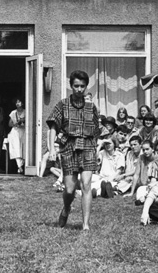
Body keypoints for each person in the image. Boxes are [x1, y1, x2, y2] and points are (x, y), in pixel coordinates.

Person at [47, 70, 100, 231]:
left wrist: (95, 146)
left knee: (86, 184)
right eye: (76, 86)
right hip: (68, 147)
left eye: (82, 86)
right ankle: (67, 208)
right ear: (71, 86)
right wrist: (52, 150)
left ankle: (85, 225)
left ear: (86, 87)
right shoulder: (62, 105)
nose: (79, 89)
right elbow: (53, 128)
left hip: (88, 147)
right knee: (70, 189)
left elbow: (97, 129)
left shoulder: (91, 107)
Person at [8, 97, 26, 174]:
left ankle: (22, 165)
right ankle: (19, 166)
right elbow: (9, 124)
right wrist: (14, 124)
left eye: (19, 102)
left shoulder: (26, 111)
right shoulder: (13, 112)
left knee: (24, 148)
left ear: (22, 103)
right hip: (15, 131)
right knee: (16, 148)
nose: (17, 103)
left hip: (24, 131)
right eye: (16, 102)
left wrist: (23, 121)